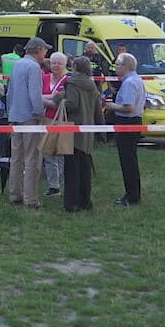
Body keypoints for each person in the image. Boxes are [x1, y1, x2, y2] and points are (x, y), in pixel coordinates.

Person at [6, 37, 48, 208]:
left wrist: (10, 113)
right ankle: (30, 199)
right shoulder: (33, 67)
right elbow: (35, 95)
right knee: (32, 158)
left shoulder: (18, 64)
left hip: (15, 116)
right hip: (29, 117)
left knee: (16, 158)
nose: (46, 53)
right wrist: (40, 113)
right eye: (45, 50)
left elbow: (10, 92)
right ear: (38, 50)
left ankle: (15, 194)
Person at [56, 56, 102, 213]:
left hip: (73, 131)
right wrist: (101, 131)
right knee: (85, 169)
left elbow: (72, 104)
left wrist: (59, 98)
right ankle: (85, 201)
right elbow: (98, 108)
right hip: (88, 131)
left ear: (75, 67)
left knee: (71, 170)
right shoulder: (92, 85)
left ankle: (71, 203)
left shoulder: (72, 82)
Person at [111, 52, 147, 207]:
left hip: (127, 122)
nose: (115, 67)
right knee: (130, 160)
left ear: (126, 66)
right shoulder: (136, 79)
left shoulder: (129, 83)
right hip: (134, 122)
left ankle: (131, 196)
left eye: (118, 64)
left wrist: (112, 106)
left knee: (128, 161)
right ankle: (133, 194)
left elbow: (129, 107)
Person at [41, 52, 68, 197]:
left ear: (65, 65)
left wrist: (42, 99)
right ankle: (53, 185)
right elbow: (53, 99)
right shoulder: (44, 78)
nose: (56, 65)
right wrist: (51, 99)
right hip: (46, 119)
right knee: (48, 153)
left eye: (59, 63)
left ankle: (61, 182)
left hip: (64, 119)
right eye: (53, 63)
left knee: (61, 153)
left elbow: (60, 102)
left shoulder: (68, 80)